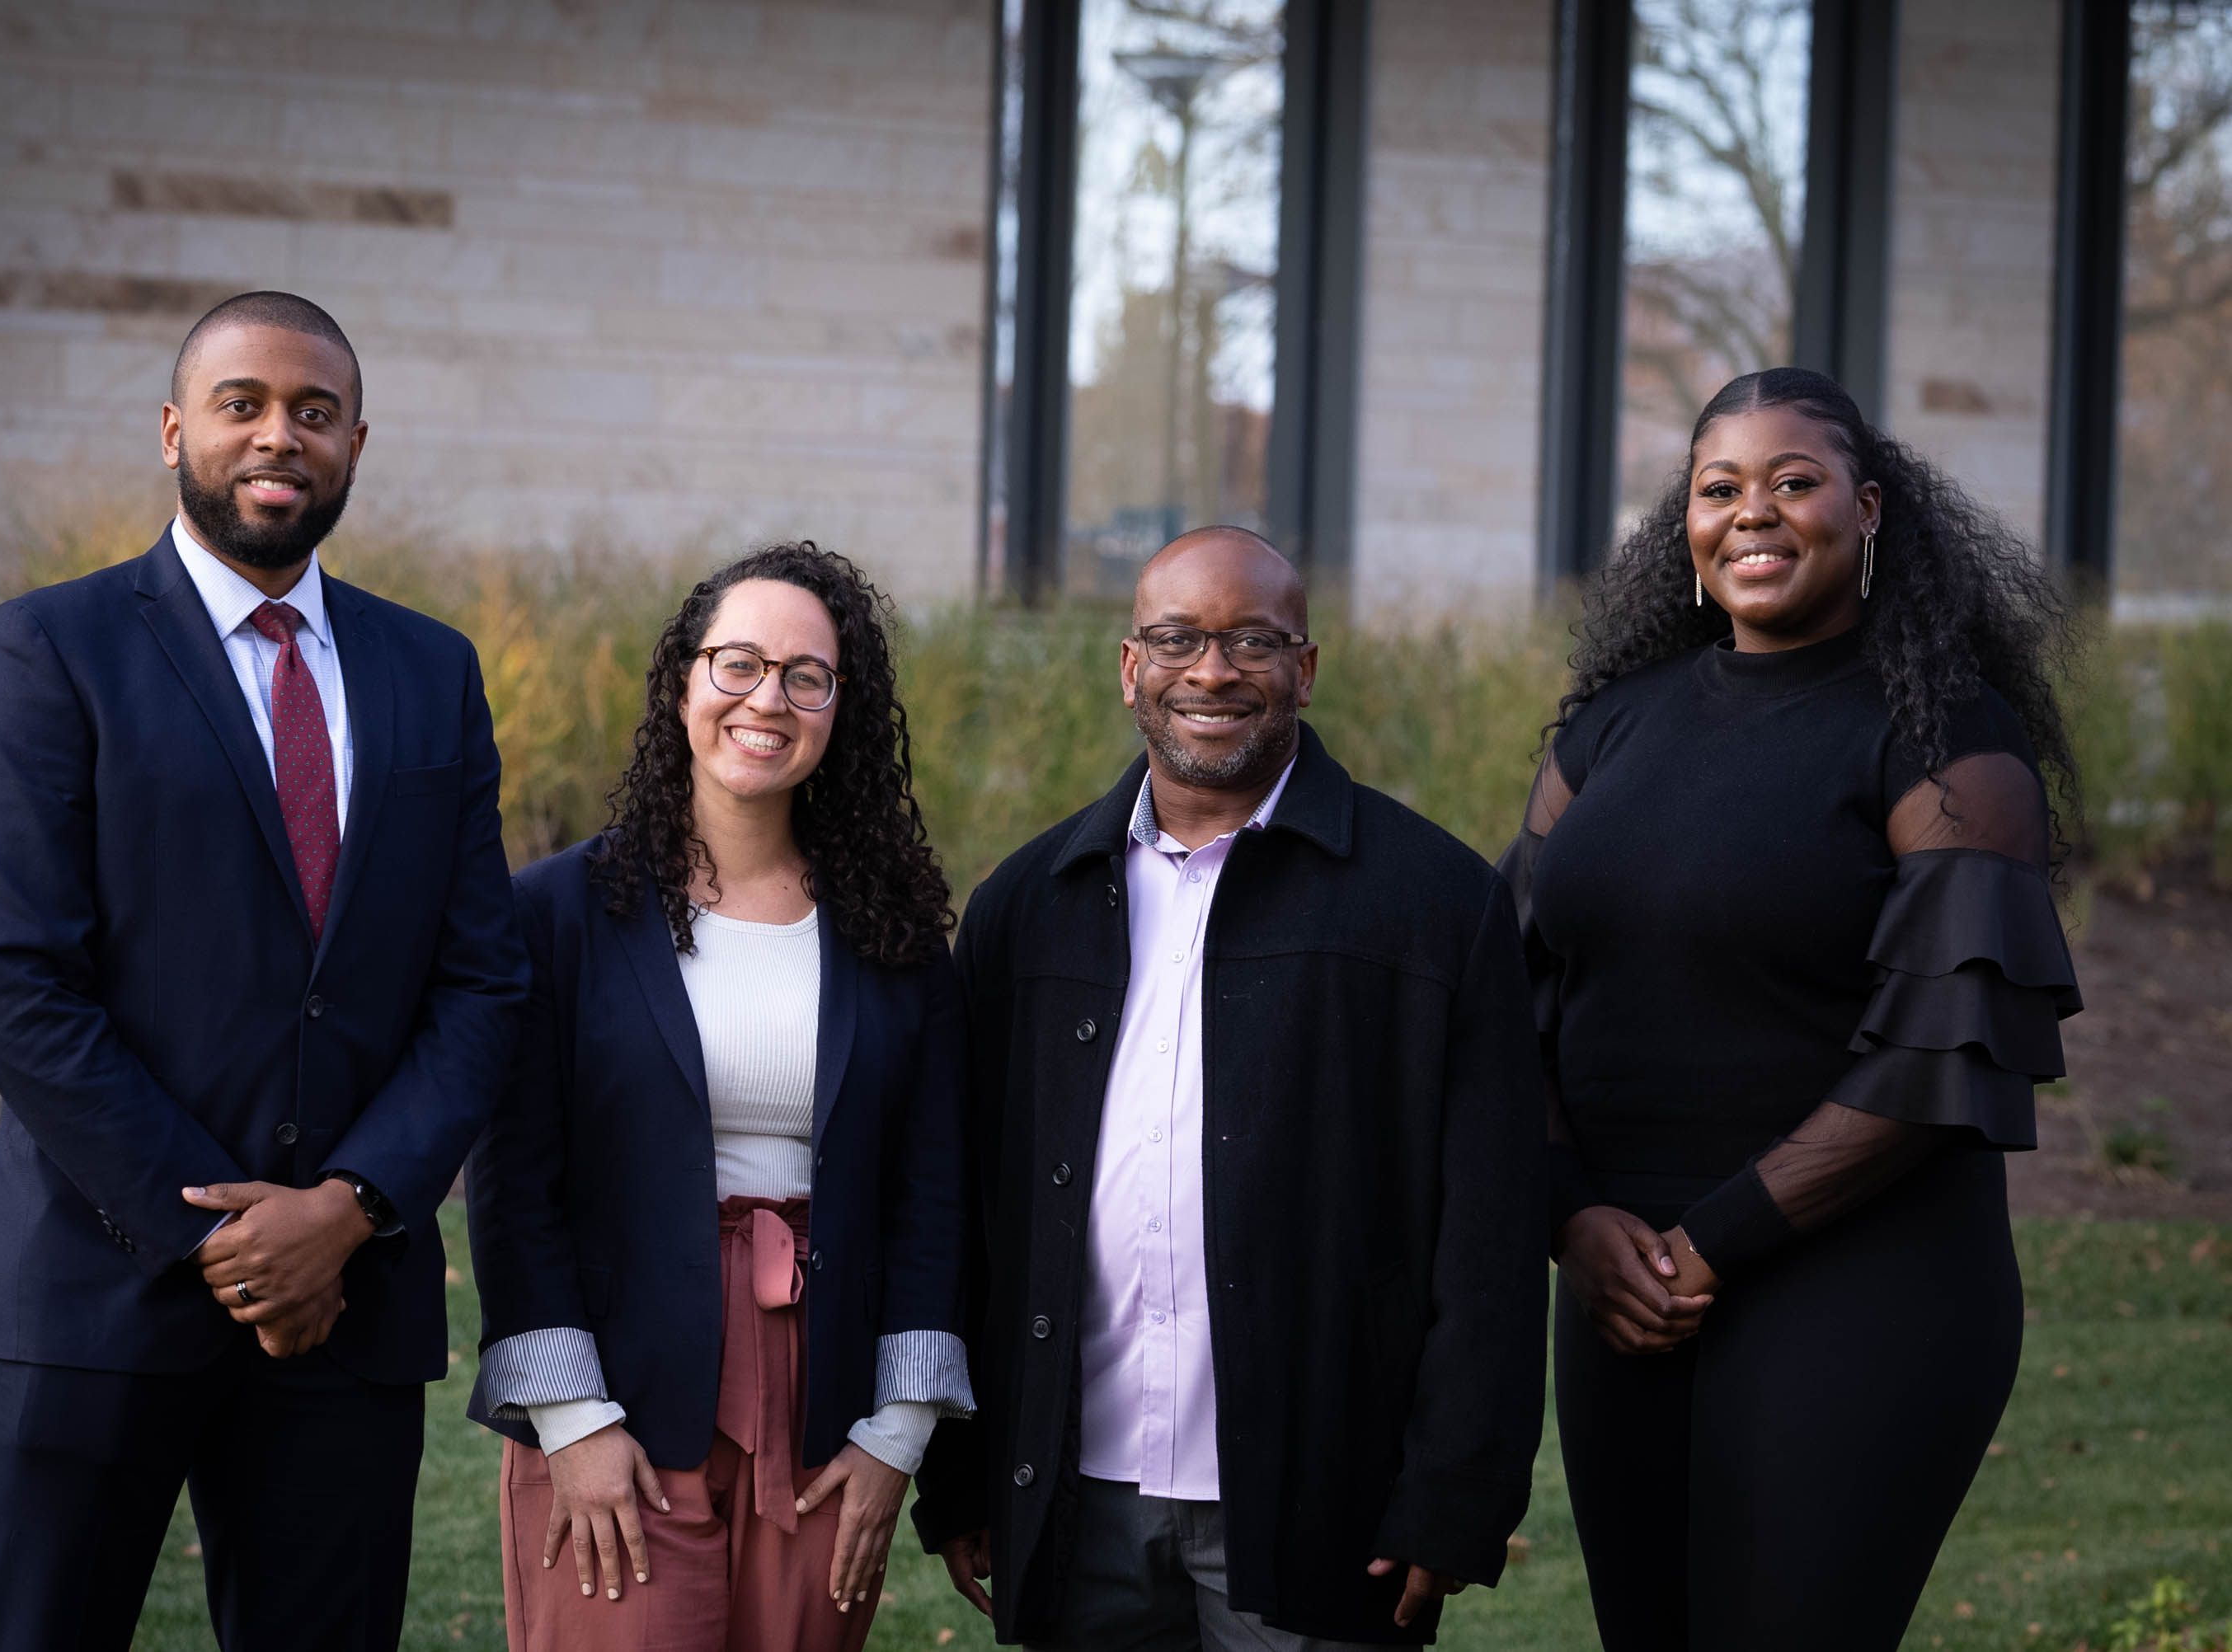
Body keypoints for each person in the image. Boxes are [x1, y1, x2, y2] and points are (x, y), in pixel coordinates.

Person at [0, 291, 527, 1651]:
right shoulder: (51, 650)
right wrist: (227, 1238)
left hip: (347, 1305)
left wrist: (347, 1210)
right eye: (243, 404)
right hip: (94, 1285)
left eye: (315, 414)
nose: (281, 437)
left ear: (357, 444)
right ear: (172, 431)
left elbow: (480, 983)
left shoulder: (431, 671)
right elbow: (15, 985)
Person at [1500, 367, 2082, 1650]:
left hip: (1859, 1286)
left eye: (1793, 481)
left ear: (1868, 509)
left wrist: (1708, 1241)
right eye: (1720, 488)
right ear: (1687, 527)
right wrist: (1574, 1222)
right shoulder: (1609, 732)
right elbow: (1514, 993)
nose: (1752, 512)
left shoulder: (1946, 743)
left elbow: (1937, 1051)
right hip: (1617, 1284)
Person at [910, 528, 1548, 1650]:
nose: (1211, 671)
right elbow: (970, 1218)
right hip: (1073, 1492)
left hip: (1323, 1506)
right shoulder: (1026, 907)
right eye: (1176, 640)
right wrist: (963, 1478)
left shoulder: (1436, 906)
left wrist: (1455, 1495)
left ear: (1305, 669)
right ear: (1128, 669)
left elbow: (1490, 1236)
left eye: (1252, 640)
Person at [463, 542, 974, 1652]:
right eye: (737, 662)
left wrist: (898, 1433)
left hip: (830, 1396)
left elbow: (935, 1192)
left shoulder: (894, 933)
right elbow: (515, 1185)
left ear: (845, 707)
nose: (768, 698)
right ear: (683, 682)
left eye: (807, 675)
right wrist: (571, 1420)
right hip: (618, 1387)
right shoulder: (558, 916)